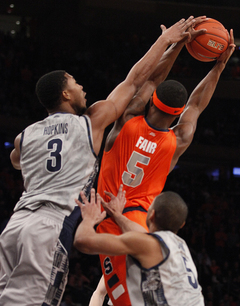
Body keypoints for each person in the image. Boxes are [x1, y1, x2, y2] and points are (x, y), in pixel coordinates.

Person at [0, 16, 197, 306]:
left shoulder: (25, 136)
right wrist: (166, 41)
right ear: (66, 94)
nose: (83, 88)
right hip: (49, 225)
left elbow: (16, 161)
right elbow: (138, 81)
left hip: (15, 225)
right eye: (76, 84)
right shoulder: (89, 122)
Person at [95, 25, 236, 305]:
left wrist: (177, 45)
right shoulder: (178, 139)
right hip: (143, 223)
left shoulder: (127, 121)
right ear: (176, 114)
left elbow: (149, 80)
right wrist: (218, 67)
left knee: (117, 295)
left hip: (108, 212)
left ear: (151, 102)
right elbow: (196, 105)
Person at [74, 186, 205, 306]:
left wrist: (89, 219)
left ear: (151, 214)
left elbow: (82, 241)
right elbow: (140, 233)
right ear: (182, 224)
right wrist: (117, 215)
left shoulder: (147, 244)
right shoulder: (180, 246)